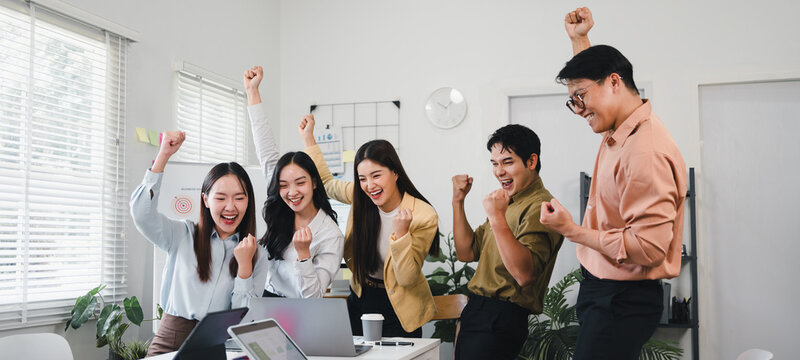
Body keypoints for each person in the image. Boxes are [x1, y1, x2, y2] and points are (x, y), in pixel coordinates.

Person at [539, 7, 688, 359]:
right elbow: (594, 81)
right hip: (608, 292)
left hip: (622, 301)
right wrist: (580, 41)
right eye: (572, 100)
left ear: (615, 83)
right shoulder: (622, 128)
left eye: (581, 98)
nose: (579, 109)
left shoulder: (644, 152)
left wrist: (572, 231)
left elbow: (650, 248)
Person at [299, 116, 440, 338]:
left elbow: (406, 279)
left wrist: (402, 235)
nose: (369, 185)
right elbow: (326, 184)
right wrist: (309, 139)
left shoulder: (423, 215)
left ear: (395, 173)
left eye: (376, 176)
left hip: (400, 306)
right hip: (362, 298)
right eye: (362, 178)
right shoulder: (360, 197)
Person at [130, 131, 267, 356]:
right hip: (172, 336)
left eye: (239, 198)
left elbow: (245, 319)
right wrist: (163, 156)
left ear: (248, 201)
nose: (230, 207)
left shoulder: (257, 254)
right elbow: (141, 215)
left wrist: (244, 267)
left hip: (221, 344)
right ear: (205, 199)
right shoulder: (182, 234)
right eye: (221, 198)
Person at [451, 124, 564, 360]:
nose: (499, 171)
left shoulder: (541, 206)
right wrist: (458, 201)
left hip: (500, 318)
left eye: (508, 162)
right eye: (494, 163)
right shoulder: (506, 202)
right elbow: (466, 252)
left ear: (531, 162)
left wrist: (496, 217)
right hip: (477, 311)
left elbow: (524, 274)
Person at [243, 65, 344, 298]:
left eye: (300, 183)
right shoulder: (280, 205)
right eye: (284, 185)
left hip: (299, 310)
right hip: (263, 298)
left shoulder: (330, 234)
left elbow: (313, 297)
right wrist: (252, 92)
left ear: (314, 183)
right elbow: (265, 148)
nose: (292, 192)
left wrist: (303, 255)